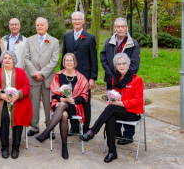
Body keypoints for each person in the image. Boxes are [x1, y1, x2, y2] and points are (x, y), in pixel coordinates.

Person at [80, 53, 144, 163]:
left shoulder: (137, 79)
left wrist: (121, 103)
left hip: (132, 113)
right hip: (118, 110)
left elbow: (138, 100)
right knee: (110, 118)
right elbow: (115, 95)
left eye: (124, 63)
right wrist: (111, 100)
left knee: (111, 109)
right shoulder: (116, 79)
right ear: (116, 66)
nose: (121, 66)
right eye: (118, 64)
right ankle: (112, 152)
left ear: (128, 64)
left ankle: (92, 131)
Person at [35, 53, 89, 159]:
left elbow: (84, 95)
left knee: (64, 106)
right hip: (59, 104)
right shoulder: (58, 75)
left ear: (74, 62)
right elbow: (54, 94)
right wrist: (63, 99)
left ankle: (46, 133)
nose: (69, 62)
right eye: (66, 60)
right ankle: (64, 147)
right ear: (63, 62)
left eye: (71, 60)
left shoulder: (81, 77)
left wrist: (74, 100)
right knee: (63, 114)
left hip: (74, 105)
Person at [100, 17, 140, 145]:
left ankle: (128, 135)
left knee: (126, 105)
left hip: (127, 82)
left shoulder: (133, 44)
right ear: (114, 28)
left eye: (123, 26)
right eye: (118, 26)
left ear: (127, 28)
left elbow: (134, 65)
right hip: (111, 80)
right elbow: (103, 58)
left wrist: (123, 78)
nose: (120, 28)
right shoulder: (109, 42)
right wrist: (112, 75)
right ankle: (115, 131)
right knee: (113, 104)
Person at [0, 50, 32, 159]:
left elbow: (26, 85)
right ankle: (5, 147)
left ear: (14, 61)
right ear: (2, 60)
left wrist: (17, 95)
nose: (7, 60)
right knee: (4, 116)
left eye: (10, 58)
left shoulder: (20, 71)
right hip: (0, 100)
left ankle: (16, 147)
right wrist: (1, 95)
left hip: (18, 100)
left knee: (18, 114)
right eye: (5, 58)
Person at [61, 11, 98, 134]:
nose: (77, 21)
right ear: (72, 21)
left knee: (85, 101)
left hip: (85, 75)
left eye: (79, 19)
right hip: (70, 75)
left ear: (83, 21)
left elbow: (94, 59)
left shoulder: (90, 38)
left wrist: (92, 77)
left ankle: (86, 128)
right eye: (74, 19)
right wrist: (63, 74)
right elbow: (64, 56)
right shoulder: (66, 37)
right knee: (70, 98)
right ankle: (75, 127)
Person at [25, 17, 59, 138]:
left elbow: (54, 60)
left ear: (47, 26)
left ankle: (50, 128)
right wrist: (34, 72)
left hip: (47, 78)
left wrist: (42, 73)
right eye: (37, 25)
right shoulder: (29, 40)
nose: (39, 27)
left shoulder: (54, 41)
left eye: (42, 25)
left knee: (48, 104)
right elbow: (26, 58)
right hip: (33, 77)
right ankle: (34, 127)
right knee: (33, 103)